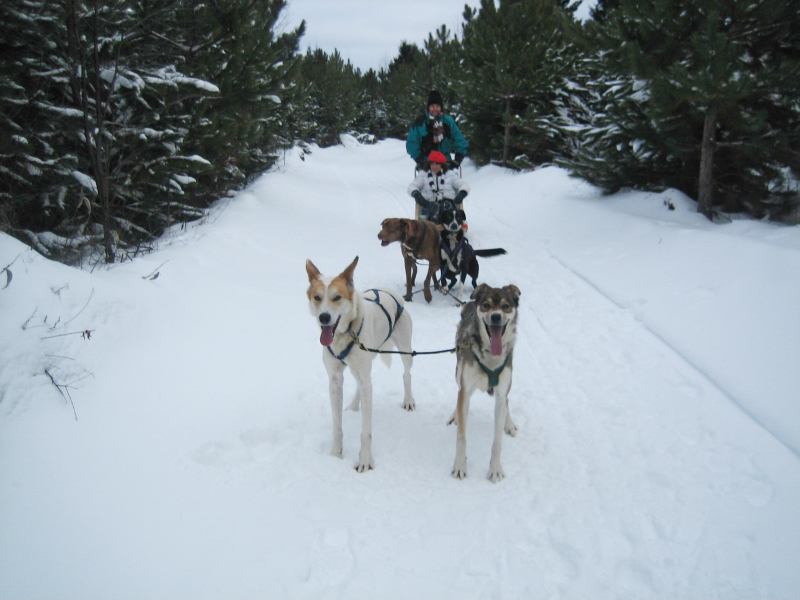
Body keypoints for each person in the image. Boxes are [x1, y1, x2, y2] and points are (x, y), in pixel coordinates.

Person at [406, 90, 468, 170]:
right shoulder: (420, 123)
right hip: (426, 163)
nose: (435, 109)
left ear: (441, 107)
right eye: (432, 106)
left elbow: (459, 139)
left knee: (452, 181)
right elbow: (412, 143)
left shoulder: (448, 121)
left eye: (437, 106)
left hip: (446, 163)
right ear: (428, 107)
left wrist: (458, 157)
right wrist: (420, 160)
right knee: (424, 181)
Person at [408, 150, 469, 223]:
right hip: (429, 202)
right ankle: (434, 224)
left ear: (442, 165)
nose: (434, 167)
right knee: (434, 207)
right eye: (432, 164)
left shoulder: (450, 174)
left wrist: (461, 194)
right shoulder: (423, 174)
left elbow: (463, 185)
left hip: (448, 201)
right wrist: (417, 195)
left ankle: (447, 224)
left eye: (437, 164)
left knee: (446, 206)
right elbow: (412, 186)